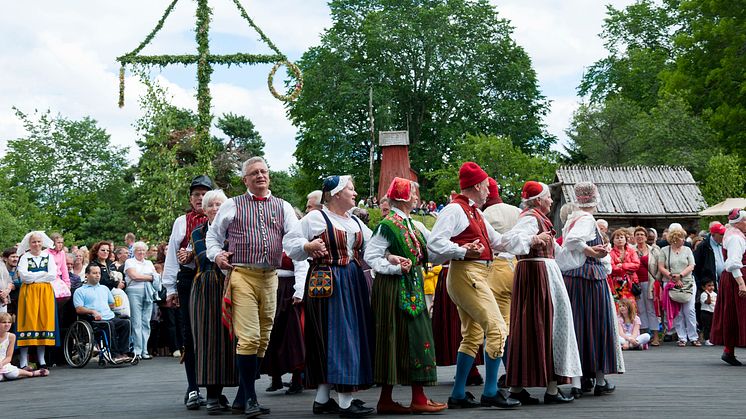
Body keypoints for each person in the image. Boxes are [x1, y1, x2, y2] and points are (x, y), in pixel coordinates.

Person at [208, 157, 299, 417]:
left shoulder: (283, 207)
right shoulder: (231, 205)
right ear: (244, 180)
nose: (260, 176)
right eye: (254, 173)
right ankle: (250, 398)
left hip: (271, 277)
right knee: (248, 337)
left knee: (263, 338)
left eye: (264, 172)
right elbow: (213, 237)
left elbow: (292, 241)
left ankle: (241, 397)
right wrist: (216, 255)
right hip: (242, 274)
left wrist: (305, 248)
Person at [427, 162, 520, 409]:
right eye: (487, 186)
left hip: (474, 275)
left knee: (474, 334)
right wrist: (461, 251)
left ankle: (458, 394)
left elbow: (498, 242)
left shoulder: (473, 211)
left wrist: (529, 238)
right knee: (498, 327)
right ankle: (490, 391)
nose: (490, 191)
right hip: (468, 274)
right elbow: (434, 244)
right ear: (477, 186)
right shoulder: (455, 210)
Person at [284, 174, 375, 417]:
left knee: (346, 334)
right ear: (336, 194)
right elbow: (290, 243)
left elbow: (375, 245)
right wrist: (307, 247)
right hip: (328, 283)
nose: (355, 194)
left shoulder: (354, 221)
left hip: (353, 280)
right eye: (351, 190)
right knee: (336, 335)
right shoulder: (316, 217)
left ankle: (323, 399)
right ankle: (345, 401)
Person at [365, 177, 447, 414]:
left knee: (411, 337)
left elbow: (431, 252)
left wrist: (458, 250)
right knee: (394, 339)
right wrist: (393, 266)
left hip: (412, 287)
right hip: (392, 289)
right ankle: (400, 399)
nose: (416, 199)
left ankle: (409, 397)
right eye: (412, 195)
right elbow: (371, 255)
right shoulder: (388, 225)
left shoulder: (411, 224)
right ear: (402, 198)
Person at [501, 180, 580, 404]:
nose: (551, 201)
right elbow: (511, 240)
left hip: (543, 272)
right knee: (545, 324)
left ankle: (519, 388)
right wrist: (533, 238)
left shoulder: (540, 219)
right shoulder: (530, 218)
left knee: (538, 325)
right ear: (538, 200)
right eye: (548, 197)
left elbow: (559, 254)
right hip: (537, 275)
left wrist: (589, 253)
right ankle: (551, 389)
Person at [560, 181, 623, 398]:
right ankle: (599, 380)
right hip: (590, 280)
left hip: (573, 278)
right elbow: (573, 241)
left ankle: (578, 382)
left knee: (578, 327)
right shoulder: (586, 219)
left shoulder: (572, 218)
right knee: (597, 326)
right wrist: (592, 252)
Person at [163, 174, 214, 410]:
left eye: (204, 194)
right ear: (190, 197)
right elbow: (172, 256)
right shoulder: (181, 222)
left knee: (214, 334)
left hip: (215, 280)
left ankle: (214, 389)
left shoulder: (222, 220)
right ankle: (193, 387)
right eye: (196, 194)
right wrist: (170, 288)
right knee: (190, 333)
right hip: (188, 280)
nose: (200, 198)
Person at [187, 189, 240, 413]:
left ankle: (220, 394)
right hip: (207, 287)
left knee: (231, 341)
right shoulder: (198, 232)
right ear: (205, 210)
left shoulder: (236, 231)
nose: (216, 209)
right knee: (209, 339)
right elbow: (204, 257)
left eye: (220, 205)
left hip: (233, 285)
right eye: (211, 205)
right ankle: (211, 396)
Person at [481, 177, 521, 388]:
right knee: (513, 324)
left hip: (495, 268)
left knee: (496, 327)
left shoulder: (483, 214)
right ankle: (514, 371)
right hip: (516, 267)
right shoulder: (515, 210)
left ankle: (499, 376)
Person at [16, 231, 59, 370]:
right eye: (34, 242)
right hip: (29, 293)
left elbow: (52, 275)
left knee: (43, 322)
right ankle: (24, 361)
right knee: (27, 323)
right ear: (29, 244)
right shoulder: (24, 258)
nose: (37, 244)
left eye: (39, 241)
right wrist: (42, 275)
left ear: (43, 242)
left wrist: (34, 276)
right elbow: (23, 276)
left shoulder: (48, 256)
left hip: (45, 292)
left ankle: (42, 359)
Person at [73, 265, 131, 363]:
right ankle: (114, 354)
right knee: (109, 325)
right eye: (94, 273)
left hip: (109, 316)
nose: (98, 275)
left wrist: (105, 308)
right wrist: (92, 311)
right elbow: (78, 309)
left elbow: (111, 303)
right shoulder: (80, 291)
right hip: (93, 320)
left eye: (99, 273)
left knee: (126, 323)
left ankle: (124, 352)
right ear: (87, 275)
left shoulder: (104, 288)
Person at [710, 209, 746, 365]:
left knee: (733, 314)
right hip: (736, 278)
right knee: (739, 314)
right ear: (739, 222)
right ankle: (728, 351)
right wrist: (741, 283)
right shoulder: (735, 238)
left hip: (733, 278)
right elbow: (733, 263)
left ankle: (729, 351)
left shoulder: (733, 233)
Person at [658, 226, 699, 347]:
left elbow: (692, 265)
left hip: (687, 281)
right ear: (675, 238)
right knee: (678, 311)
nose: (684, 239)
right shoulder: (665, 250)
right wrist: (672, 277)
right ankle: (682, 337)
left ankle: (693, 336)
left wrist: (680, 275)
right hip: (671, 282)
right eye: (682, 237)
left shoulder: (687, 249)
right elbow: (661, 267)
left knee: (689, 310)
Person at [124, 241, 159, 362]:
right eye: (139, 250)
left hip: (148, 293)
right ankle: (137, 351)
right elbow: (134, 276)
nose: (141, 252)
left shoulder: (149, 262)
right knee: (136, 322)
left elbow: (157, 276)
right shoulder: (129, 262)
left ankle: (144, 350)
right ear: (134, 251)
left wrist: (147, 276)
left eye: (143, 250)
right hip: (134, 292)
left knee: (146, 322)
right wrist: (150, 277)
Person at [632, 226, 661, 345]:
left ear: (646, 237)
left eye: (642, 234)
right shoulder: (631, 250)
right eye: (637, 234)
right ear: (634, 237)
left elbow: (660, 266)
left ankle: (655, 336)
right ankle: (644, 335)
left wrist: (657, 281)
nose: (640, 237)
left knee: (651, 309)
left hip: (650, 282)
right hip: (636, 283)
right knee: (640, 309)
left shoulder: (654, 250)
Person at [0, 312, 49, 380]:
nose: (7, 324)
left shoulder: (11, 336)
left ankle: (32, 373)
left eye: (9, 322)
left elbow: (8, 357)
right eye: (4, 322)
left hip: (4, 363)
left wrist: (1, 364)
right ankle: (21, 371)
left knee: (12, 374)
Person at [608, 229, 641, 308]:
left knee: (631, 306)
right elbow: (612, 268)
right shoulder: (610, 253)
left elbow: (636, 265)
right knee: (618, 307)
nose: (619, 239)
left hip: (631, 282)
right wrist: (627, 268)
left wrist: (622, 265)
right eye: (617, 237)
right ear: (613, 240)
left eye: (622, 237)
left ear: (626, 240)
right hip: (616, 284)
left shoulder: (631, 251)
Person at [3, 248, 20, 318]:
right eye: (13, 257)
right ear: (5, 259)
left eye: (17, 257)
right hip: (5, 302)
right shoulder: (2, 270)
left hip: (19, 302)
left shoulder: (21, 269)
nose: (15, 259)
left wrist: (16, 285)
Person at [700, 279, 717, 346]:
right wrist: (708, 296)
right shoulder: (703, 294)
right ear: (704, 287)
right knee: (707, 326)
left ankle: (712, 339)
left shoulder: (715, 294)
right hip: (706, 312)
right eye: (709, 286)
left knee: (712, 326)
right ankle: (707, 339)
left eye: (712, 285)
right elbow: (708, 302)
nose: (711, 287)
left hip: (713, 312)